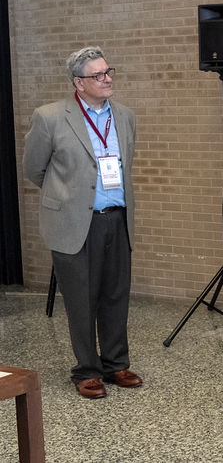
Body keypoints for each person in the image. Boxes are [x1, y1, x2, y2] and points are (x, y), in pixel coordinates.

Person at [23, 46, 141, 399]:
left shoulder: (124, 115)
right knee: (80, 299)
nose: (107, 79)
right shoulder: (50, 117)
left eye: (109, 72)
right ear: (79, 82)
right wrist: (69, 196)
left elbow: (125, 164)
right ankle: (86, 370)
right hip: (75, 223)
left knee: (116, 295)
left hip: (117, 219)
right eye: (98, 75)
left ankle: (116, 363)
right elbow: (34, 168)